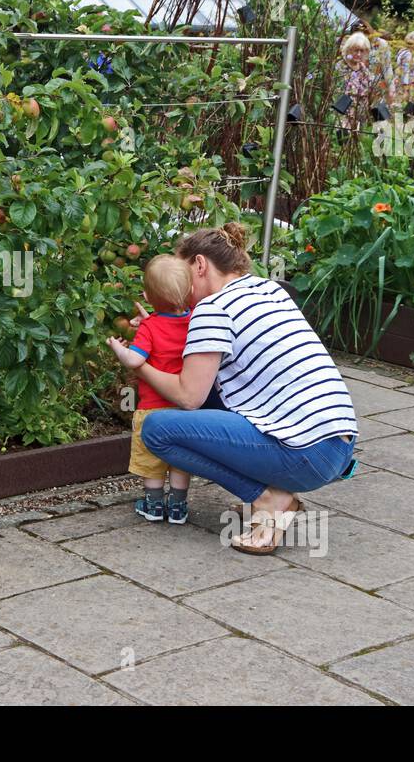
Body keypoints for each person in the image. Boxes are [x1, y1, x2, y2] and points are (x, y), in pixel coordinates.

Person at [106, 223, 358, 555]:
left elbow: (188, 396)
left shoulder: (212, 310)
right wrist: (162, 322)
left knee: (157, 429)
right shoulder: (269, 289)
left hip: (303, 453)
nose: (180, 289)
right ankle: (276, 492)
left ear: (199, 265)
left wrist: (138, 364)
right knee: (211, 393)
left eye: (183, 277)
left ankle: (268, 500)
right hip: (337, 446)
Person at [123, 255, 194, 525]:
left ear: (147, 297)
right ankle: (177, 506)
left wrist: (118, 348)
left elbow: (135, 359)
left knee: (151, 460)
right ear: (189, 291)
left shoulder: (149, 327)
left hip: (152, 409)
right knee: (180, 461)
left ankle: (153, 505)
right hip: (184, 408)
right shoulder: (195, 321)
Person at [396, 31, 414, 101]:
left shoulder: (403, 51)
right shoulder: (407, 55)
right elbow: (405, 71)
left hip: (402, 82)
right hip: (403, 84)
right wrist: (406, 89)